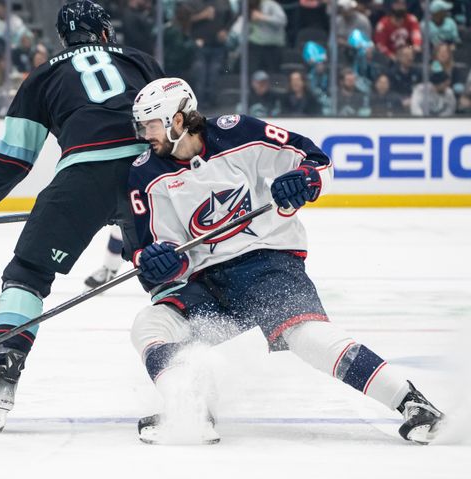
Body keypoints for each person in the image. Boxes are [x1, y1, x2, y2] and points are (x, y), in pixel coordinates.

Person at [126, 77, 445, 445]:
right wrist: (160, 262)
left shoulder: (239, 132)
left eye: (150, 125)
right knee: (150, 324)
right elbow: (160, 249)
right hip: (205, 284)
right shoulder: (145, 173)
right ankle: (189, 408)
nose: (144, 134)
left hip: (267, 265)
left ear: (177, 121)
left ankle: (410, 401)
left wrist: (303, 180)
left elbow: (317, 161)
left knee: (307, 336)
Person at [0, 0, 165, 432]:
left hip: (80, 180)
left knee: (26, 273)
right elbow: (182, 120)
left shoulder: (42, 75)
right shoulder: (140, 60)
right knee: (170, 271)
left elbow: (14, 157)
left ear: (63, 40)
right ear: (103, 33)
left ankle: (5, 378)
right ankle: (188, 379)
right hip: (147, 174)